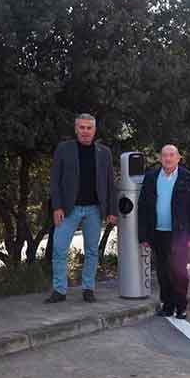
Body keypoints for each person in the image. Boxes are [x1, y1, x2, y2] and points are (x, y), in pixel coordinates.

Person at [45, 113, 117, 304]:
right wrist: (57, 206)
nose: (85, 131)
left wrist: (111, 210)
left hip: (94, 210)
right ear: (76, 129)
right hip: (68, 210)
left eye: (89, 128)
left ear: (94, 130)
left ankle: (88, 289)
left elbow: (110, 183)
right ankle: (59, 291)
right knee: (59, 250)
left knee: (92, 251)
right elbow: (55, 180)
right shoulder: (64, 149)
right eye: (82, 127)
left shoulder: (104, 153)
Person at [138, 144, 190, 319]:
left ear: (178, 158)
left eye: (172, 155)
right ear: (160, 158)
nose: (168, 158)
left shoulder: (188, 178)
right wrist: (143, 235)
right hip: (157, 233)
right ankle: (167, 305)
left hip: (179, 234)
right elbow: (143, 207)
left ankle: (181, 306)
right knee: (163, 271)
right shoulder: (151, 178)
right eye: (165, 155)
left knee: (179, 271)